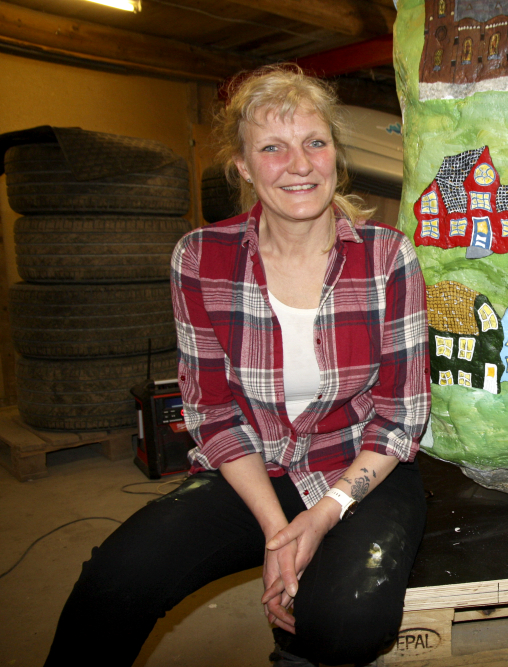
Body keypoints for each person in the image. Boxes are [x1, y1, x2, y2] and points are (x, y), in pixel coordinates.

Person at [44, 64, 431, 667]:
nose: (299, 165)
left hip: (361, 466)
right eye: (272, 148)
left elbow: (401, 415)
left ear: (335, 154)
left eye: (314, 142)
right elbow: (213, 412)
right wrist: (278, 533)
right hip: (256, 467)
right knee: (115, 581)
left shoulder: (388, 256)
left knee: (347, 619)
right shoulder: (201, 258)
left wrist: (322, 518)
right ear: (244, 167)